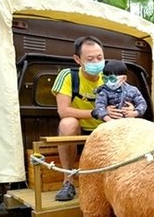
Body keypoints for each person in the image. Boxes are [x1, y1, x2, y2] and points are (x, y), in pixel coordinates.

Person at [50, 36, 122, 201]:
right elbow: (63, 110)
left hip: (105, 129)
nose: (96, 62)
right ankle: (68, 181)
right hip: (79, 131)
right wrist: (95, 112)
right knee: (67, 123)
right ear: (78, 59)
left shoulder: (109, 76)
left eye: (99, 58)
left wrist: (132, 108)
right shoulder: (68, 76)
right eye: (90, 59)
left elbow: (127, 96)